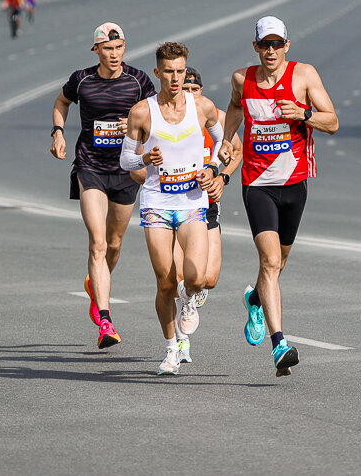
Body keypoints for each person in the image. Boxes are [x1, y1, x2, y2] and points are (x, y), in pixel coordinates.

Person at [219, 16, 339, 377]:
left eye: (277, 44)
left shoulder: (304, 76)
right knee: (270, 262)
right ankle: (279, 345)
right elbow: (236, 108)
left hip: (295, 182)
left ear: (287, 45)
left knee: (279, 263)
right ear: (255, 47)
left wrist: (304, 114)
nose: (270, 50)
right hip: (256, 183)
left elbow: (332, 121)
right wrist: (226, 141)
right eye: (264, 44)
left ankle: (255, 300)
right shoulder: (242, 78)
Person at [50, 23, 156, 349]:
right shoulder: (81, 80)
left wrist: (136, 126)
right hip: (90, 167)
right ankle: (105, 320)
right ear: (96, 50)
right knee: (97, 243)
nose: (114, 54)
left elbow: (159, 117)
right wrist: (57, 132)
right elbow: (61, 102)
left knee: (113, 244)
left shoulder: (138, 81)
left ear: (125, 48)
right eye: (108, 49)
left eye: (119, 48)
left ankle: (96, 287)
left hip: (127, 171)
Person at [120, 43, 224, 375]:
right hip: (157, 204)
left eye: (180, 70)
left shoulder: (203, 107)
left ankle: (189, 298)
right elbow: (125, 159)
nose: (175, 78)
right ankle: (171, 349)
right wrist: (144, 158)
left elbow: (224, 144)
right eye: (169, 71)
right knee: (165, 283)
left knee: (195, 277)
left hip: (193, 202)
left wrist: (212, 170)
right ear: (158, 73)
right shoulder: (141, 112)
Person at [168, 67, 243, 364]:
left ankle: (191, 296)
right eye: (184, 88)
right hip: (173, 204)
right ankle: (180, 339)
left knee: (208, 279)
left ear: (201, 90)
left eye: (194, 89)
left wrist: (222, 178)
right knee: (174, 275)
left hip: (206, 204)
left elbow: (236, 150)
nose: (189, 94)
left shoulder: (216, 117)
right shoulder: (168, 117)